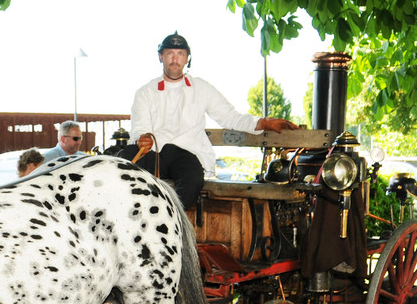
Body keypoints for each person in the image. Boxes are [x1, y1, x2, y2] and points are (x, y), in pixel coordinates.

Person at [125, 32, 298, 209]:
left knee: (192, 178)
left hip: (187, 153)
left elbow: (229, 116)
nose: (175, 59)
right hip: (156, 154)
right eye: (170, 53)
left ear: (187, 59)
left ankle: (170, 217)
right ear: (161, 56)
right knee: (123, 158)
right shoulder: (145, 92)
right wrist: (142, 138)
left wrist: (262, 122)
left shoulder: (201, 88)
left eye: (180, 54)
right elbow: (140, 128)